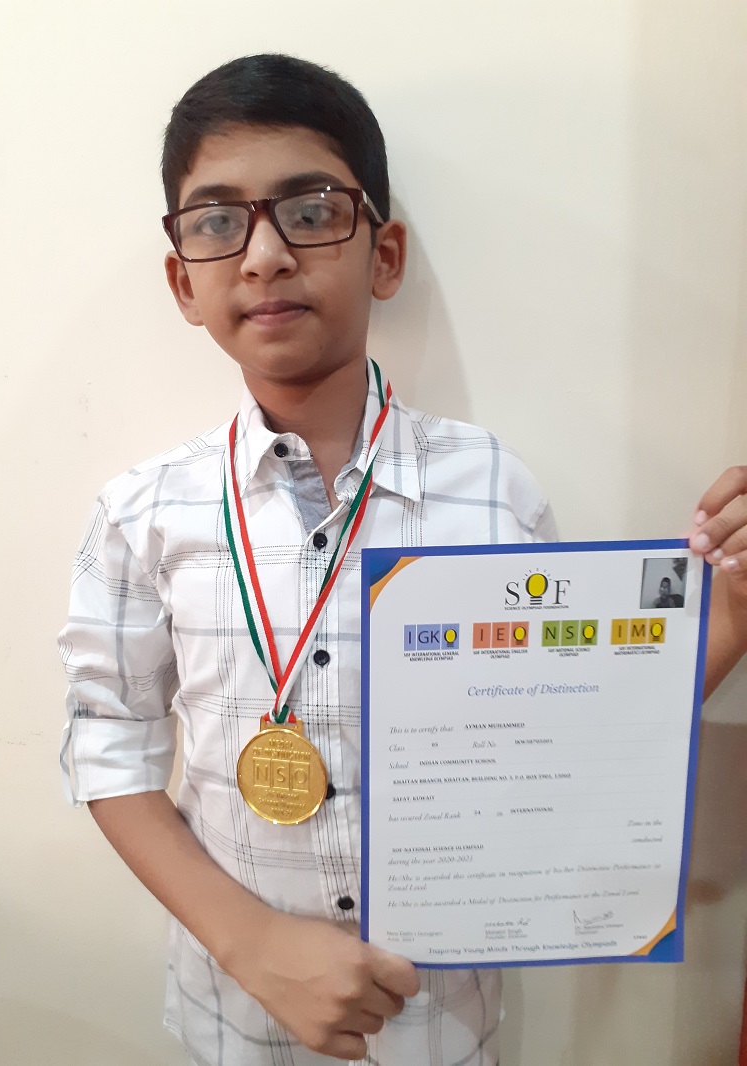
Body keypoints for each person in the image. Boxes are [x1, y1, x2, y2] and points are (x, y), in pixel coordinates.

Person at [58, 54, 747, 1066]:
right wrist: (253, 944)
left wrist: (730, 613)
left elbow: (577, 721)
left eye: (309, 211)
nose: (263, 255)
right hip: (233, 1021)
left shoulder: (491, 486)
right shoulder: (140, 514)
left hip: (442, 1027)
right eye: (216, 221)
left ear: (383, 256)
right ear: (182, 281)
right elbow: (108, 744)